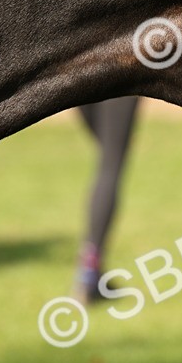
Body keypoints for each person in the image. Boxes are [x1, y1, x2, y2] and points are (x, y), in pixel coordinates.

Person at [71, 97, 140, 303]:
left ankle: (93, 273)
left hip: (77, 73)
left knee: (107, 158)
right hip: (122, 75)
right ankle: (88, 275)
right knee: (111, 162)